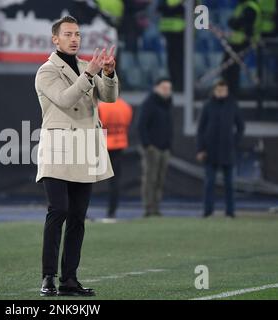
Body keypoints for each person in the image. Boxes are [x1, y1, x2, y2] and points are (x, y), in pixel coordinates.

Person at [35, 16, 118, 297]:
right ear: (55, 39)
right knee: (57, 210)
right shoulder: (46, 71)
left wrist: (107, 73)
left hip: (84, 149)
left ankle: (69, 280)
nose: (75, 39)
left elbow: (109, 97)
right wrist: (90, 75)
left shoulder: (86, 67)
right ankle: (48, 277)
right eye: (68, 34)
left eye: (78, 34)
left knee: (78, 217)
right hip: (58, 149)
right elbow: (65, 99)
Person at [196, 80, 245, 218]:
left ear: (227, 91)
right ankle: (207, 211)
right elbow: (200, 129)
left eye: (223, 90)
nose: (221, 93)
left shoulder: (232, 105)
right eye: (218, 90)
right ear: (214, 91)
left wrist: (234, 142)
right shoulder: (207, 105)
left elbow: (241, 126)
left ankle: (230, 212)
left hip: (227, 151)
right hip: (210, 151)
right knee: (209, 183)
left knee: (229, 184)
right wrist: (200, 149)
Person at [137, 78, 174, 217]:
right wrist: (147, 145)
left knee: (160, 179)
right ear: (156, 88)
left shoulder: (168, 104)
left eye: (169, 88)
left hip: (165, 148)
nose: (167, 91)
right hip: (153, 148)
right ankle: (148, 208)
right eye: (164, 87)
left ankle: (156, 207)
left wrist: (169, 144)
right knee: (150, 179)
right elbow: (141, 125)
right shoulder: (149, 103)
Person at [98, 96, 133, 218]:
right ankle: (112, 211)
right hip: (120, 144)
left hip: (105, 144)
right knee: (115, 180)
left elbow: (98, 125)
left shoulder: (102, 106)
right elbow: (127, 124)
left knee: (88, 179)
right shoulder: (125, 106)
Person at [222, 0, 262, 94]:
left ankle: (233, 93)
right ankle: (229, 92)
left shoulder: (250, 8)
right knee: (228, 68)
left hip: (243, 42)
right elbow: (232, 22)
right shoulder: (243, 6)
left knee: (232, 70)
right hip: (236, 42)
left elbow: (236, 24)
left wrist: (234, 22)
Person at [158, 0, 185, 92]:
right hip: (169, 31)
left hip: (181, 31)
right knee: (172, 60)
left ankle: (180, 85)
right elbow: (160, 7)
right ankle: (175, 84)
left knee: (178, 61)